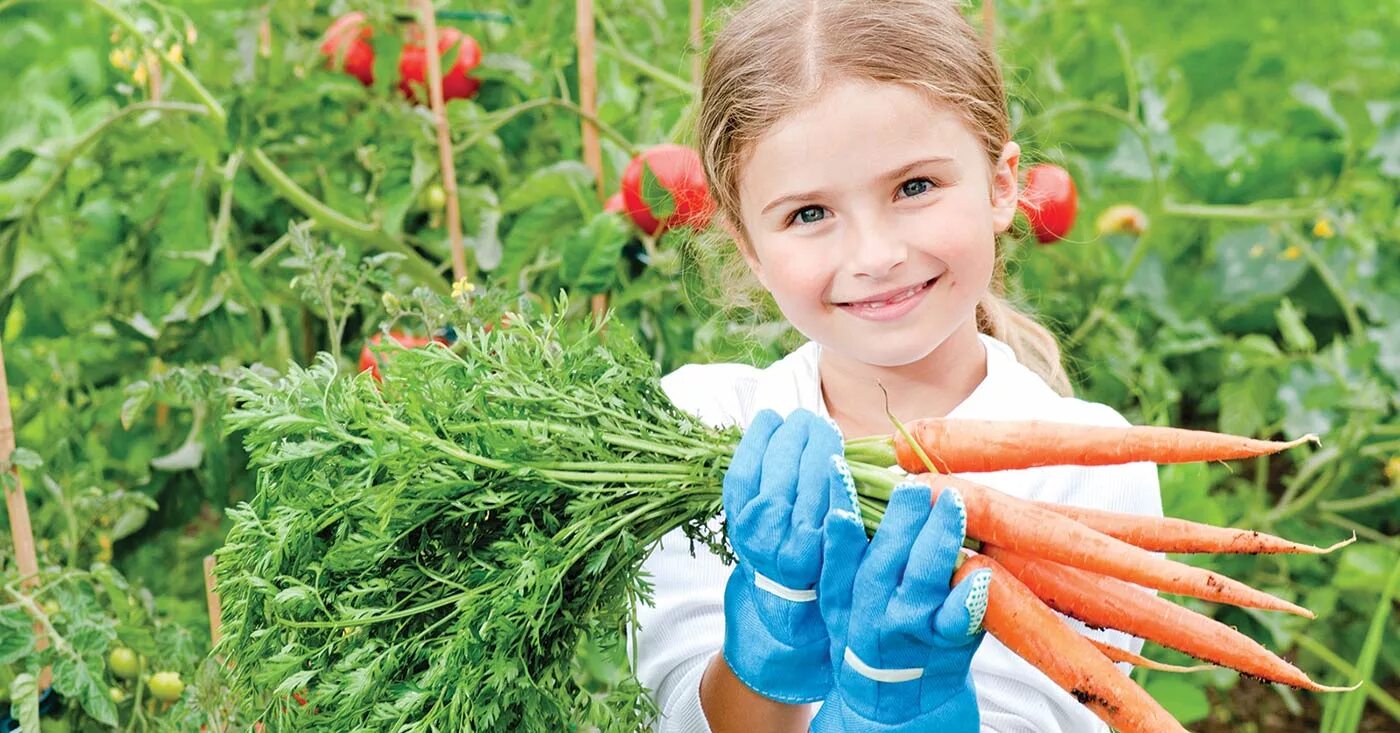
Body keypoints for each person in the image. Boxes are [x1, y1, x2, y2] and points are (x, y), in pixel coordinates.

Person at [632, 0, 1164, 731]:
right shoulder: (700, 428)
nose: (875, 255)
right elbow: (680, 716)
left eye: (914, 187)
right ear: (749, 246)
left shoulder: (1093, 467)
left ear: (1003, 185)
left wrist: (905, 712)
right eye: (809, 214)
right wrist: (765, 651)